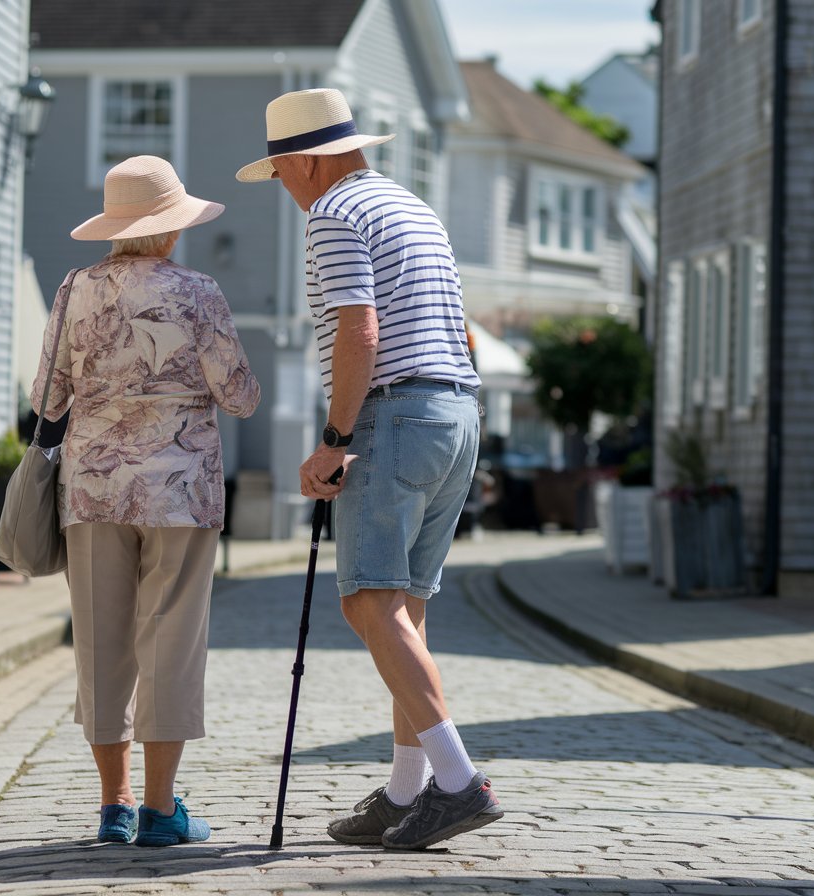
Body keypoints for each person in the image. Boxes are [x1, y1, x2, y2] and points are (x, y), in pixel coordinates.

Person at [236, 89, 503, 850]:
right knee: (405, 611)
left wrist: (332, 439)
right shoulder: (412, 207)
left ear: (310, 161)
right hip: (456, 416)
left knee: (368, 606)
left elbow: (361, 330)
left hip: (394, 415)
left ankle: (459, 783)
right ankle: (406, 790)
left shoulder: (334, 215)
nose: (286, 190)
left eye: (284, 172)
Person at [33, 155, 260, 847]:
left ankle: (115, 805)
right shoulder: (199, 292)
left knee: (101, 644)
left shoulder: (76, 288)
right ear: (169, 229)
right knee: (171, 643)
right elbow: (241, 397)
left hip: (94, 490)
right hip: (182, 493)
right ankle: (162, 811)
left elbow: (46, 398)